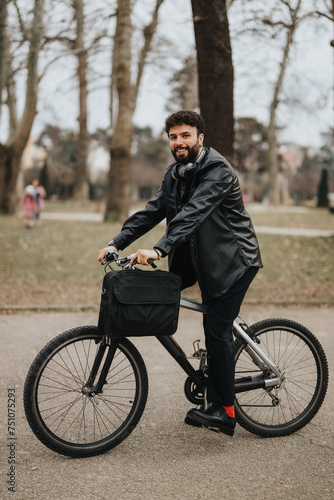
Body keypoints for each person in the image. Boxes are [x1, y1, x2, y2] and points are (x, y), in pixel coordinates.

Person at [98, 110, 263, 436]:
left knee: (216, 329)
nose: (179, 142)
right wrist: (116, 242)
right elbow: (151, 212)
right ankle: (211, 374)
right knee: (165, 296)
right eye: (173, 137)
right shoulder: (175, 174)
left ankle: (225, 411)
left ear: (200, 138)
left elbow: (193, 213)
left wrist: (159, 250)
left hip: (233, 262)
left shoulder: (218, 171)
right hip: (199, 261)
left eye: (185, 135)